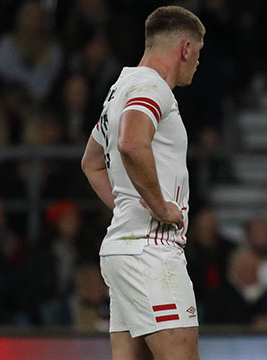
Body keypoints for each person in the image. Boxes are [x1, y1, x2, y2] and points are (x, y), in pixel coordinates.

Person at [81, 6, 204, 360]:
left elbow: (91, 163)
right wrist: (158, 205)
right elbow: (132, 140)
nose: (197, 62)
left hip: (123, 250)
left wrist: (127, 204)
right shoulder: (153, 86)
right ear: (185, 49)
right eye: (198, 53)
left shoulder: (119, 89)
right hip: (151, 253)